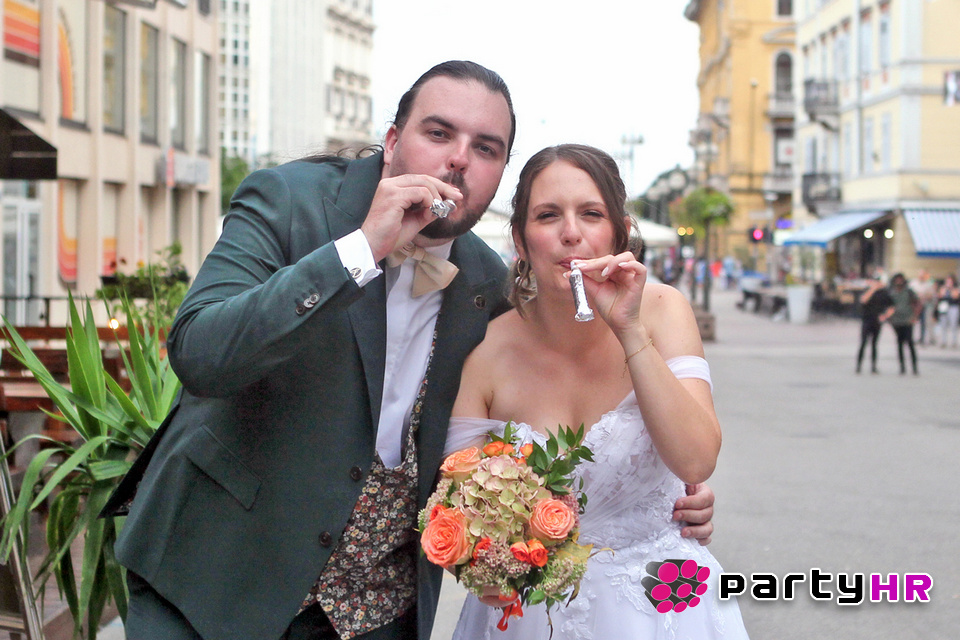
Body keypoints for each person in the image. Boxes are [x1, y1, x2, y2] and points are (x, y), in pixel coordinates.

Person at [101, 62, 715, 640]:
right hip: (216, 582)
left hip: (378, 612)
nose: (459, 159)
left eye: (486, 149)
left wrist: (667, 501)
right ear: (392, 141)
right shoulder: (289, 200)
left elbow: (523, 444)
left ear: (499, 176)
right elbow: (201, 353)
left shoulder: (486, 285)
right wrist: (360, 250)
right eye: (438, 133)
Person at [444, 145, 749, 640]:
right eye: (548, 216)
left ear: (619, 232)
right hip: (529, 614)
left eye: (591, 213)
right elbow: (456, 507)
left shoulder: (664, 311)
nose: (571, 232)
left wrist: (629, 330)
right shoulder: (485, 351)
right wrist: (488, 564)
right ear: (520, 240)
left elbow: (695, 461)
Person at [855, 277, 894, 374]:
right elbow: (863, 300)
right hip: (867, 320)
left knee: (874, 344)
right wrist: (872, 289)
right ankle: (859, 366)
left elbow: (892, 306)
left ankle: (873, 366)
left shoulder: (884, 293)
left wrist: (885, 316)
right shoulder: (867, 291)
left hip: (877, 321)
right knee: (863, 343)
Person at [886, 273, 920, 375]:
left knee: (910, 343)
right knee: (899, 344)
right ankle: (902, 367)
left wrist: (914, 316)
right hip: (896, 321)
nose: (899, 282)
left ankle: (914, 367)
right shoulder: (891, 292)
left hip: (907, 320)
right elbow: (888, 306)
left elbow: (917, 303)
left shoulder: (908, 292)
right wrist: (889, 318)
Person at [910, 270, 936, 345]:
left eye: (922, 275)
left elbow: (931, 295)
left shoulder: (928, 284)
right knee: (913, 323)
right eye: (920, 275)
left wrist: (924, 295)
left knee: (924, 323)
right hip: (915, 307)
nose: (921, 277)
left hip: (925, 306)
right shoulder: (913, 283)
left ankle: (923, 338)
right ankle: (912, 338)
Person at [936, 274, 960, 348]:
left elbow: (955, 296)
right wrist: (945, 290)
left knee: (953, 325)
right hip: (944, 306)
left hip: (953, 307)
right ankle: (943, 341)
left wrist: (951, 289)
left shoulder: (955, 288)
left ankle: (954, 342)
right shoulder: (943, 288)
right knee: (943, 325)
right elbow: (940, 296)